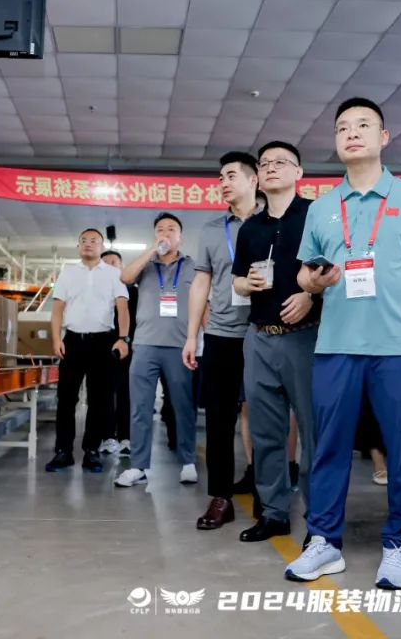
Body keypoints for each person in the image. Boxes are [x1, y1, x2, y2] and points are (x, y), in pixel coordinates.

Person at [289, 97, 401, 591]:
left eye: (363, 125)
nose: (352, 133)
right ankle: (324, 541)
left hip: (398, 346)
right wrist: (314, 282)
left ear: (383, 137)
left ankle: (400, 545)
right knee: (329, 448)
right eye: (343, 127)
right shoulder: (321, 207)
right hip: (335, 345)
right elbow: (303, 274)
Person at [231, 141, 318, 543]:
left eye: (280, 162)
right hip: (259, 338)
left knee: (314, 433)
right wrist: (244, 284)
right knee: (265, 432)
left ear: (298, 172)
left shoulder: (317, 217)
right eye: (264, 163)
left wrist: (311, 295)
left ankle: (320, 520)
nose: (270, 168)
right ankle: (274, 512)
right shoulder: (250, 227)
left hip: (306, 337)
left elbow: (335, 272)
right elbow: (236, 280)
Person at [183, 151, 260, 530]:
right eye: (220, 178)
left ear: (253, 179)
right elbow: (202, 282)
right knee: (218, 419)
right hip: (221, 336)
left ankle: (267, 492)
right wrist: (191, 335)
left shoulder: (273, 222)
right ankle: (220, 497)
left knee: (266, 417)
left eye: (231, 175)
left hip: (265, 332)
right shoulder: (213, 229)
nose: (223, 183)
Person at [115, 213, 198, 487]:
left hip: (179, 345)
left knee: (182, 406)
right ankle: (138, 466)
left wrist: (201, 340)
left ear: (180, 236)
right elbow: (125, 277)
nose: (166, 233)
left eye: (171, 229)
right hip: (145, 345)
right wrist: (151, 251)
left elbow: (203, 304)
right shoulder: (146, 265)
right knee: (140, 407)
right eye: (160, 229)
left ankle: (188, 461)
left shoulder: (192, 266)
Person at [46, 229, 130, 473]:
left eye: (94, 241)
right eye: (83, 240)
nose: (88, 244)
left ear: (101, 247)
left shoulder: (114, 274)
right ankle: (63, 451)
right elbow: (57, 310)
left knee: (99, 400)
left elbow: (122, 308)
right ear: (78, 246)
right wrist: (56, 339)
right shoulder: (68, 273)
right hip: (72, 341)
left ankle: (91, 451)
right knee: (66, 399)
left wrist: (123, 338)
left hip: (103, 342)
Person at [102, 249, 133, 456]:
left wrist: (127, 341)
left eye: (114, 262)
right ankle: (107, 437)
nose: (109, 266)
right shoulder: (96, 294)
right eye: (105, 263)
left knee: (126, 394)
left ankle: (126, 437)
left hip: (128, 350)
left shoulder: (133, 293)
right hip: (102, 350)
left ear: (122, 267)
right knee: (104, 394)